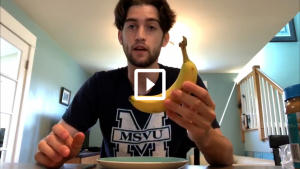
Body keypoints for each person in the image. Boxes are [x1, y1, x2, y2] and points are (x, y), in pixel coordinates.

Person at [34, 0, 234, 168]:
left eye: (151, 27)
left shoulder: (186, 85)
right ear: (120, 36)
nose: (140, 35)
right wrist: (56, 151)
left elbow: (225, 158)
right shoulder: (99, 84)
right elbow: (60, 140)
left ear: (165, 39)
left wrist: (206, 135)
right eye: (131, 26)